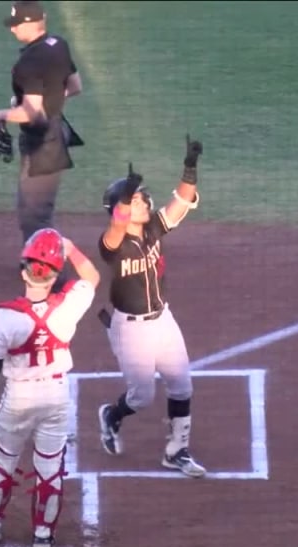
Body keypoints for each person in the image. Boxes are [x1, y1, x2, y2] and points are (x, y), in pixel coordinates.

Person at [0, 227, 101, 547]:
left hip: (19, 399)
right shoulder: (69, 305)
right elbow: (92, 276)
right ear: (54, 275)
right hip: (56, 397)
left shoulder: (5, 317)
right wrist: (69, 247)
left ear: (23, 269)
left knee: (2, 462)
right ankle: (43, 535)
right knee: (50, 466)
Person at [94, 135, 207, 479]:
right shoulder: (112, 244)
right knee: (142, 397)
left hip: (163, 319)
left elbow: (182, 202)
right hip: (130, 329)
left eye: (142, 198)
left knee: (182, 386)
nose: (145, 201)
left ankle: (177, 451)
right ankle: (112, 415)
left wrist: (189, 168)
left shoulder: (154, 228)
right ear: (122, 207)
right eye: (138, 199)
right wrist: (126, 198)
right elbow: (115, 225)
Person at [0, 0, 84, 290]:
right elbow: (75, 86)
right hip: (55, 132)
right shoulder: (58, 44)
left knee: (34, 214)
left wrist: (0, 115)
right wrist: (50, 103)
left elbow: (30, 114)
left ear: (32, 23)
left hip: (42, 143)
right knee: (34, 209)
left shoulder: (28, 63)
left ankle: (52, 279)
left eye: (17, 23)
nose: (13, 28)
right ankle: (37, 260)